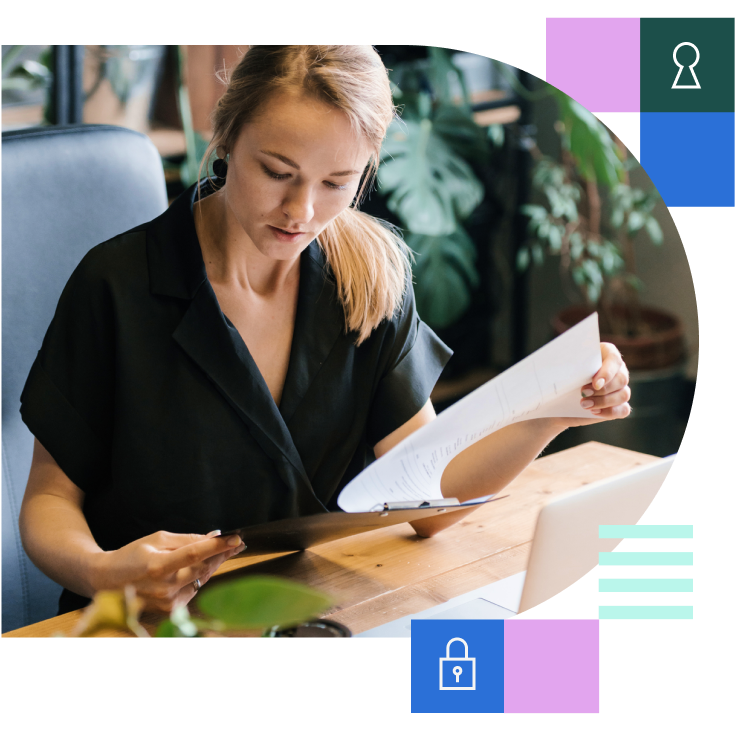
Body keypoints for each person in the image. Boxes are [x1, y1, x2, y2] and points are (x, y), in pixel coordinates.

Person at [18, 46, 631, 617]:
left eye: (337, 183)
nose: (301, 211)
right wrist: (103, 571)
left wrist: (554, 411)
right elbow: (47, 504)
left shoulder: (366, 281)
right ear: (226, 135)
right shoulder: (117, 284)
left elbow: (425, 496)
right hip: (143, 618)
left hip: (301, 610)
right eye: (277, 171)